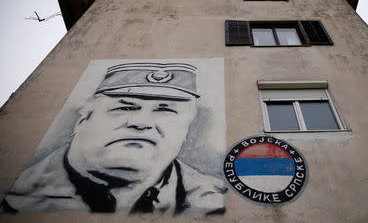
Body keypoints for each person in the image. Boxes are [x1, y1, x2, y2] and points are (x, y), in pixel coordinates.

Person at [1, 62, 226, 215]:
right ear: (84, 117)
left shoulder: (212, 200)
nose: (141, 122)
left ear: (186, 131)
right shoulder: (19, 195)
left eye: (165, 110)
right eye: (125, 107)